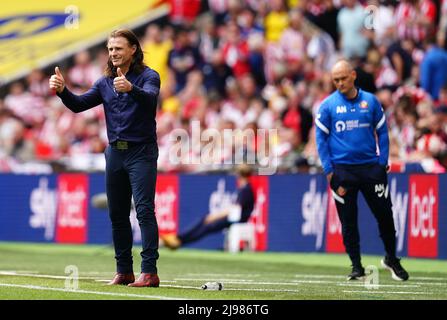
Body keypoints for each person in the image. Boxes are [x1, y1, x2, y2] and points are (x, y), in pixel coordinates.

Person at [49, 29, 161, 287]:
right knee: (118, 214)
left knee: (144, 210)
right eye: (110, 49)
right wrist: (63, 91)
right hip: (115, 153)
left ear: (133, 49)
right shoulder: (103, 82)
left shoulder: (148, 76)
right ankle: (124, 271)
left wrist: (131, 89)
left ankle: (149, 271)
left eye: (118, 48)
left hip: (141, 151)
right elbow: (78, 105)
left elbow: (151, 99)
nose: (113, 54)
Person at [315, 60, 409, 281]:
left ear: (353, 75)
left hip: (370, 169)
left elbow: (383, 132)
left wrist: (382, 162)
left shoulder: (371, 101)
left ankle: (391, 259)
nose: (340, 83)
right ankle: (356, 265)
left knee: (385, 215)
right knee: (348, 221)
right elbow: (321, 139)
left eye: (343, 78)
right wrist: (329, 170)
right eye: (335, 80)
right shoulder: (328, 106)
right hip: (343, 172)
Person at [161, 164, 255, 250]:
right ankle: (178, 239)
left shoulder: (245, 190)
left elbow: (235, 209)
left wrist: (215, 216)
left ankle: (178, 241)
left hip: (237, 219)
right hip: (234, 218)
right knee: (204, 221)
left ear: (239, 175)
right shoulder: (244, 189)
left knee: (207, 226)